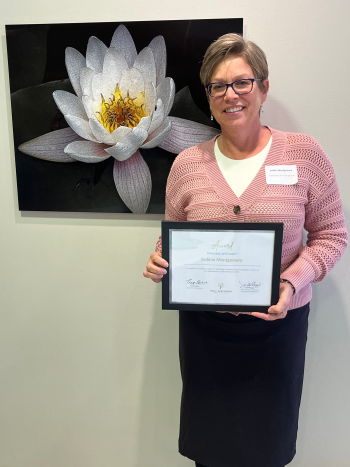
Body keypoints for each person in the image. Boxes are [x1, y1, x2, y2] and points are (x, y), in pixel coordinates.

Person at [143, 33, 347, 467]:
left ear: (263, 87)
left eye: (242, 82)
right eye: (218, 86)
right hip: (206, 333)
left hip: (277, 330)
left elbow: (332, 236)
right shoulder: (188, 164)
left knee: (268, 448)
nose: (230, 95)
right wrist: (161, 257)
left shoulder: (305, 154)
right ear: (208, 95)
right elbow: (174, 234)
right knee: (210, 449)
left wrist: (292, 282)